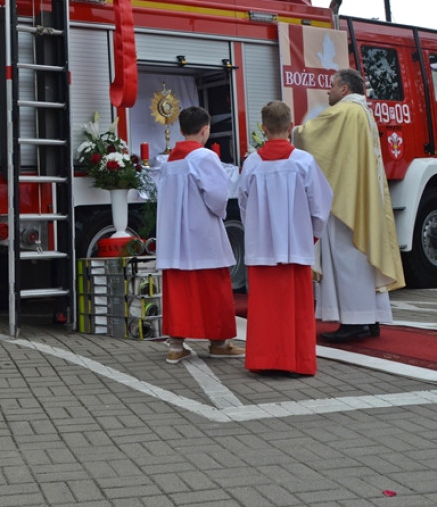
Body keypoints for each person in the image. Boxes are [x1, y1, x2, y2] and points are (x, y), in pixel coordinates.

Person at [293, 68, 405, 343]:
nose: (328, 91)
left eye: (332, 86)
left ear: (344, 89)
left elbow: (309, 137)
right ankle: (371, 318)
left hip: (347, 201)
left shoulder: (344, 112)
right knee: (363, 259)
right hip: (363, 197)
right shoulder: (363, 112)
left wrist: (287, 132)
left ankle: (355, 321)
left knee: (347, 258)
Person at [238, 101, 332, 375]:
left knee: (264, 308)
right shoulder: (304, 161)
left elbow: (243, 203)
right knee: (297, 307)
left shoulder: (253, 163)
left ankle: (263, 360)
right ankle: (297, 362)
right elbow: (320, 205)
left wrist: (256, 231)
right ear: (291, 127)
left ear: (264, 129)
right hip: (295, 245)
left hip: (262, 247)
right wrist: (311, 235)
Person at [155, 106, 245, 364]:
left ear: (181, 130)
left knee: (179, 288)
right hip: (202, 234)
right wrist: (220, 212)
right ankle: (219, 343)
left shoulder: (170, 160)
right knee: (214, 287)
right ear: (205, 130)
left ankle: (175, 345)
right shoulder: (204, 157)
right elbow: (217, 196)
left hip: (175, 237)